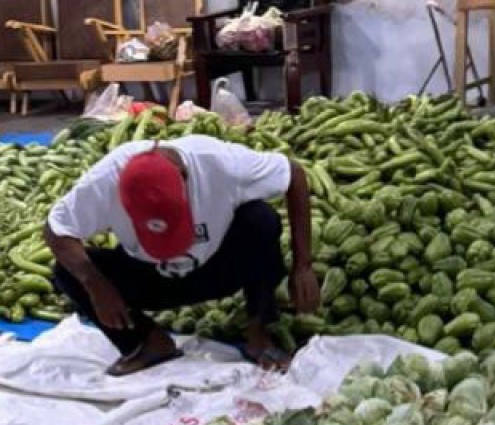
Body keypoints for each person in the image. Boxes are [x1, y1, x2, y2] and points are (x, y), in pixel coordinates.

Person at [45, 134, 320, 376]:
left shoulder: (221, 163)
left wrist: (303, 265)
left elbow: (293, 174)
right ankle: (148, 342)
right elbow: (56, 228)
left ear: (185, 178)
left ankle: (259, 334)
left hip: (217, 269)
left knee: (261, 219)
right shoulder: (105, 180)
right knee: (68, 270)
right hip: (152, 278)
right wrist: (96, 284)